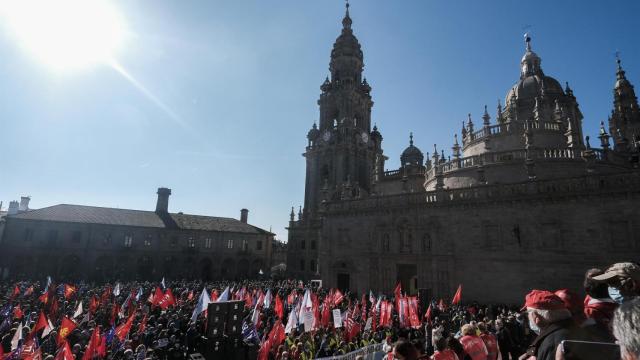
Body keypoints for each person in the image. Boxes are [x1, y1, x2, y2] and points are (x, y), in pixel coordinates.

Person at [519, 290, 582, 360]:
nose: (528, 317)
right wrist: (529, 354)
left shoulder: (552, 342)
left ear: (536, 317)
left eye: (528, 313)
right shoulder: (572, 328)